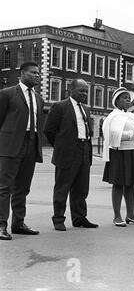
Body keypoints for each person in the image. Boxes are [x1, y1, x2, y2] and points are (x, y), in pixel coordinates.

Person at [44, 79, 98, 231]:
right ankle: (59, 219)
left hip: (84, 151)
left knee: (81, 188)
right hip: (67, 152)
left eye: (86, 91)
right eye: (81, 90)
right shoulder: (59, 106)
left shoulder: (86, 109)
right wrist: (61, 146)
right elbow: (49, 130)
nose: (85, 94)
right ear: (71, 90)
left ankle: (79, 217)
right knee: (62, 187)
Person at [0, 62, 44, 240]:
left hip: (31, 144)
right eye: (33, 73)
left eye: (38, 73)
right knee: (4, 187)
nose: (37, 76)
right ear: (23, 74)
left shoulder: (39, 99)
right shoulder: (7, 94)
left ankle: (18, 223)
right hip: (10, 145)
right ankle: (1, 224)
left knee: (23, 188)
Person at [102, 87, 134, 227]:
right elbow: (111, 135)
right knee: (118, 184)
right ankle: (117, 216)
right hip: (119, 152)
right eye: (124, 98)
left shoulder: (133, 116)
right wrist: (132, 135)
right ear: (116, 101)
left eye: (129, 98)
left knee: (130, 184)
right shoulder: (112, 116)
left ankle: (130, 214)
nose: (128, 100)